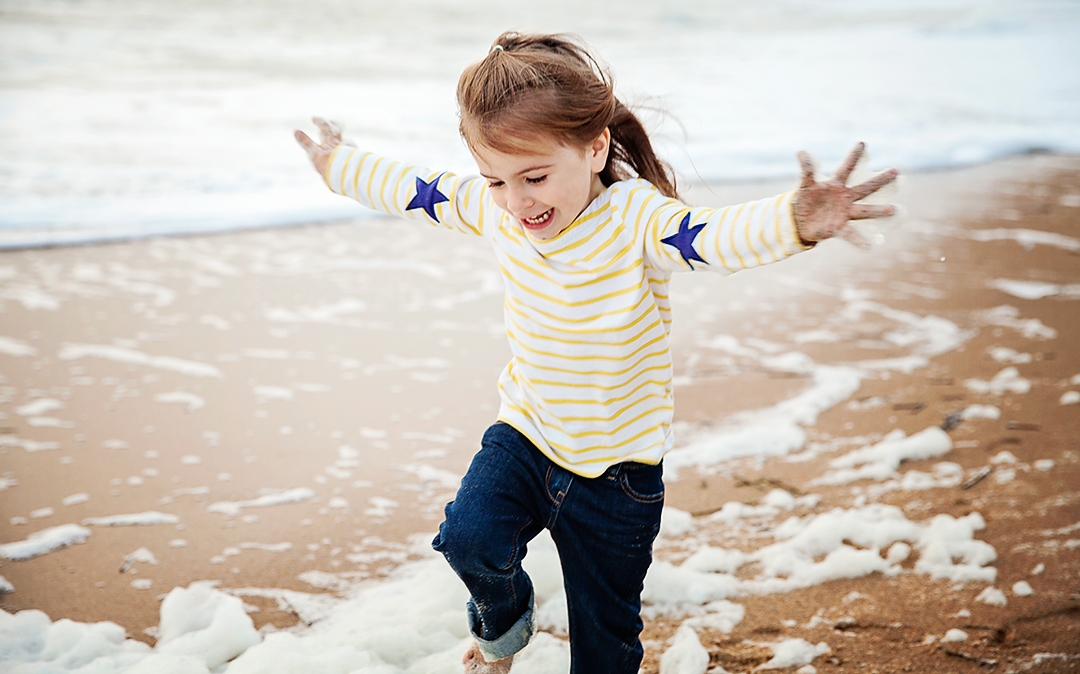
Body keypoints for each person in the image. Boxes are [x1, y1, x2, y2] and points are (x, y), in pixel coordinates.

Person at [296, 31, 897, 674]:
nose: (517, 201)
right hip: (527, 438)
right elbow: (417, 189)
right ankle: (503, 629)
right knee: (468, 540)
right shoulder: (497, 210)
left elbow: (711, 238)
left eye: (534, 177)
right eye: (495, 180)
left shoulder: (636, 220)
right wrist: (339, 165)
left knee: (605, 645)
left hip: (619, 479)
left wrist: (795, 222)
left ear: (595, 147)